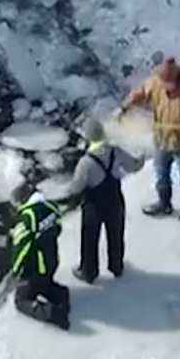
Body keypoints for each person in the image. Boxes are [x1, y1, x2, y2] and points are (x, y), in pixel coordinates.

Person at [119, 57, 180, 221]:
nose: (162, 85)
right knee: (161, 171)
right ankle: (164, 203)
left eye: (166, 82)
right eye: (161, 81)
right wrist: (127, 105)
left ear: (175, 80)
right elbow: (141, 92)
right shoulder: (156, 83)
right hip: (162, 138)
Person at [60, 118, 145, 284]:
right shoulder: (116, 152)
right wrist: (141, 157)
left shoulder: (85, 162)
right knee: (116, 235)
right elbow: (134, 166)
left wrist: (63, 191)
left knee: (90, 238)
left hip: (94, 206)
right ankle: (116, 266)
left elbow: (76, 188)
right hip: (115, 201)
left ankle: (88, 271)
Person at [9, 182, 78, 330]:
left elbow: (22, 247)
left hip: (35, 267)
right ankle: (60, 294)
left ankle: (52, 313)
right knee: (44, 284)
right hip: (51, 259)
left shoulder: (27, 218)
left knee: (21, 300)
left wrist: (16, 269)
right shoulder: (51, 208)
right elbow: (57, 228)